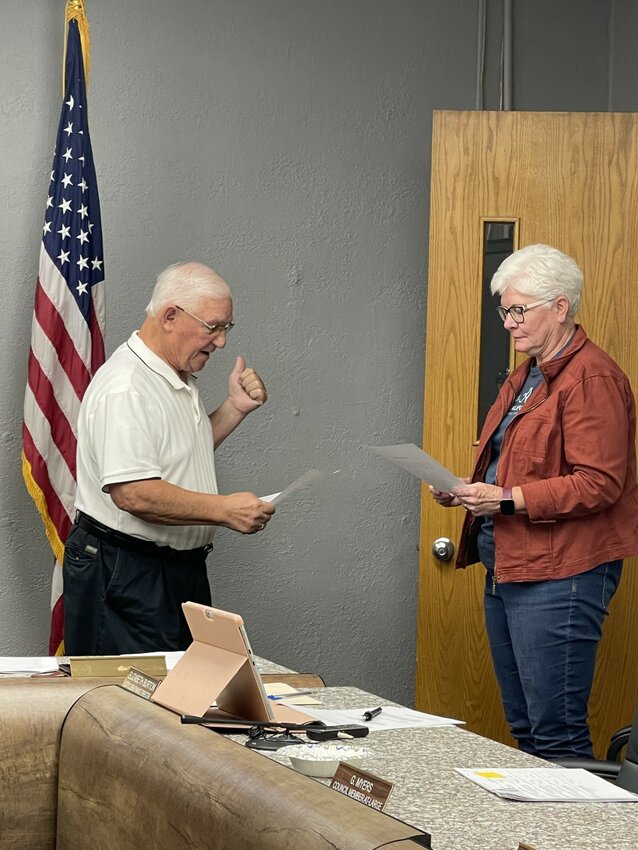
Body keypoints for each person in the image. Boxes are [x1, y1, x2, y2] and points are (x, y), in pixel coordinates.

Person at [430, 243, 638, 761]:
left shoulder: (592, 377)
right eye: (505, 309)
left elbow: (600, 483)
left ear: (561, 307)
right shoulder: (527, 374)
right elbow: (515, 466)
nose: (507, 322)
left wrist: (504, 499)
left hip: (560, 575)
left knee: (557, 736)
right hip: (512, 569)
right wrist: (468, 489)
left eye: (518, 309)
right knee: (526, 732)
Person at [63, 261, 275, 655]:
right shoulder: (127, 387)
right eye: (213, 326)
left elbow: (177, 457)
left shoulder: (170, 375)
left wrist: (234, 408)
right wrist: (224, 510)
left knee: (177, 702)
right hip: (127, 573)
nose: (221, 341)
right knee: (129, 709)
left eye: (227, 327)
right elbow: (134, 493)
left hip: (174, 572)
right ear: (171, 316)